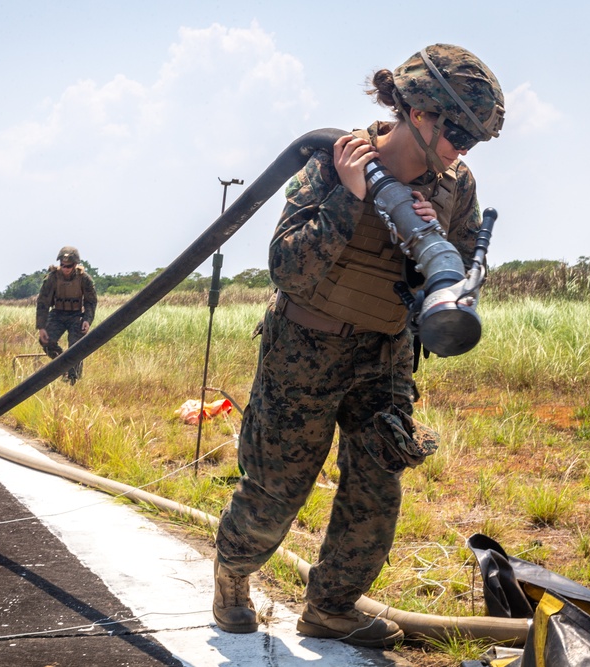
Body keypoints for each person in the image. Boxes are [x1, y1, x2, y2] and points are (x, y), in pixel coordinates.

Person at [212, 44, 504, 648]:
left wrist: (434, 256)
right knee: (277, 487)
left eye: (472, 142)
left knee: (376, 486)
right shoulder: (333, 160)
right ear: (419, 114)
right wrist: (351, 198)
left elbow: (458, 275)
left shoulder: (456, 187)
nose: (461, 150)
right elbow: (287, 268)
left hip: (387, 355)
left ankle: (332, 607)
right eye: (457, 134)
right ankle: (234, 574)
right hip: (306, 349)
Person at [36, 246, 98, 384]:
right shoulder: (52, 278)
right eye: (62, 265)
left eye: (68, 266)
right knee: (46, 341)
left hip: (76, 316)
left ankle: (73, 378)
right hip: (57, 314)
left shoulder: (84, 279)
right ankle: (63, 366)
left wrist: (87, 320)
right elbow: (43, 303)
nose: (65, 268)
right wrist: (41, 327)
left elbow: (91, 301)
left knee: (76, 346)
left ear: (75, 265)